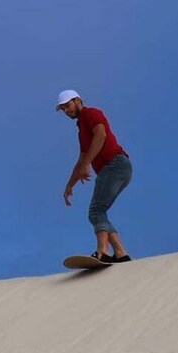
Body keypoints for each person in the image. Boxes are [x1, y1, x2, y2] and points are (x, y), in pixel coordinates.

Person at [57, 89, 133, 263]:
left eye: (67, 106)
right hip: (115, 168)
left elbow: (101, 134)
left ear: (77, 100)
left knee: (96, 210)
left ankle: (102, 252)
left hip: (115, 165)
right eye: (63, 109)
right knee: (99, 212)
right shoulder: (81, 128)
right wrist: (70, 185)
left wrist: (86, 164)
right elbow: (82, 158)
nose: (66, 111)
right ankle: (121, 253)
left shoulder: (91, 114)